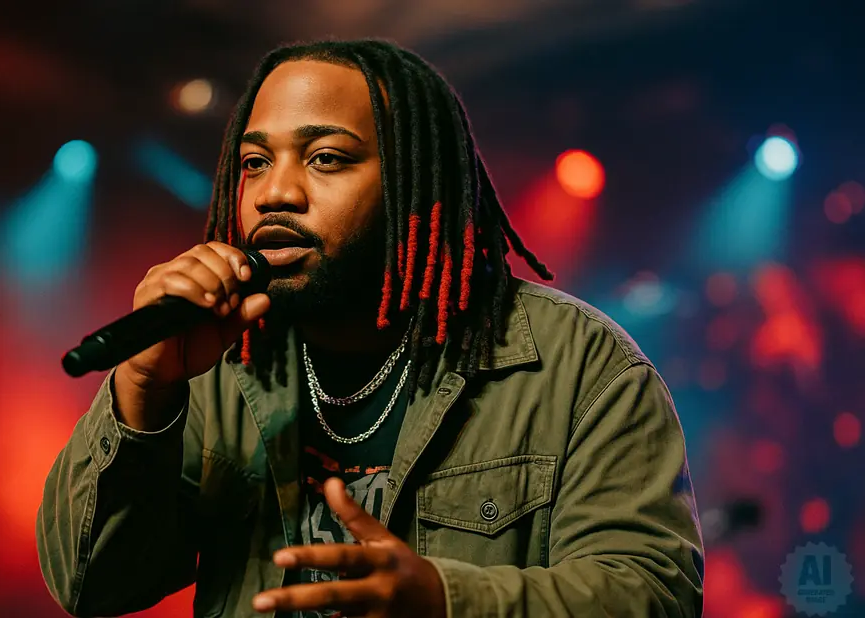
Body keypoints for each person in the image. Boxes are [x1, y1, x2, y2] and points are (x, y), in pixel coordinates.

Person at [36, 39, 704, 618]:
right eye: (255, 162)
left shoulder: (578, 365)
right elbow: (90, 582)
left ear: (417, 187)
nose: (276, 192)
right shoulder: (216, 364)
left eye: (326, 158)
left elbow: (653, 594)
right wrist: (144, 385)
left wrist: (447, 602)